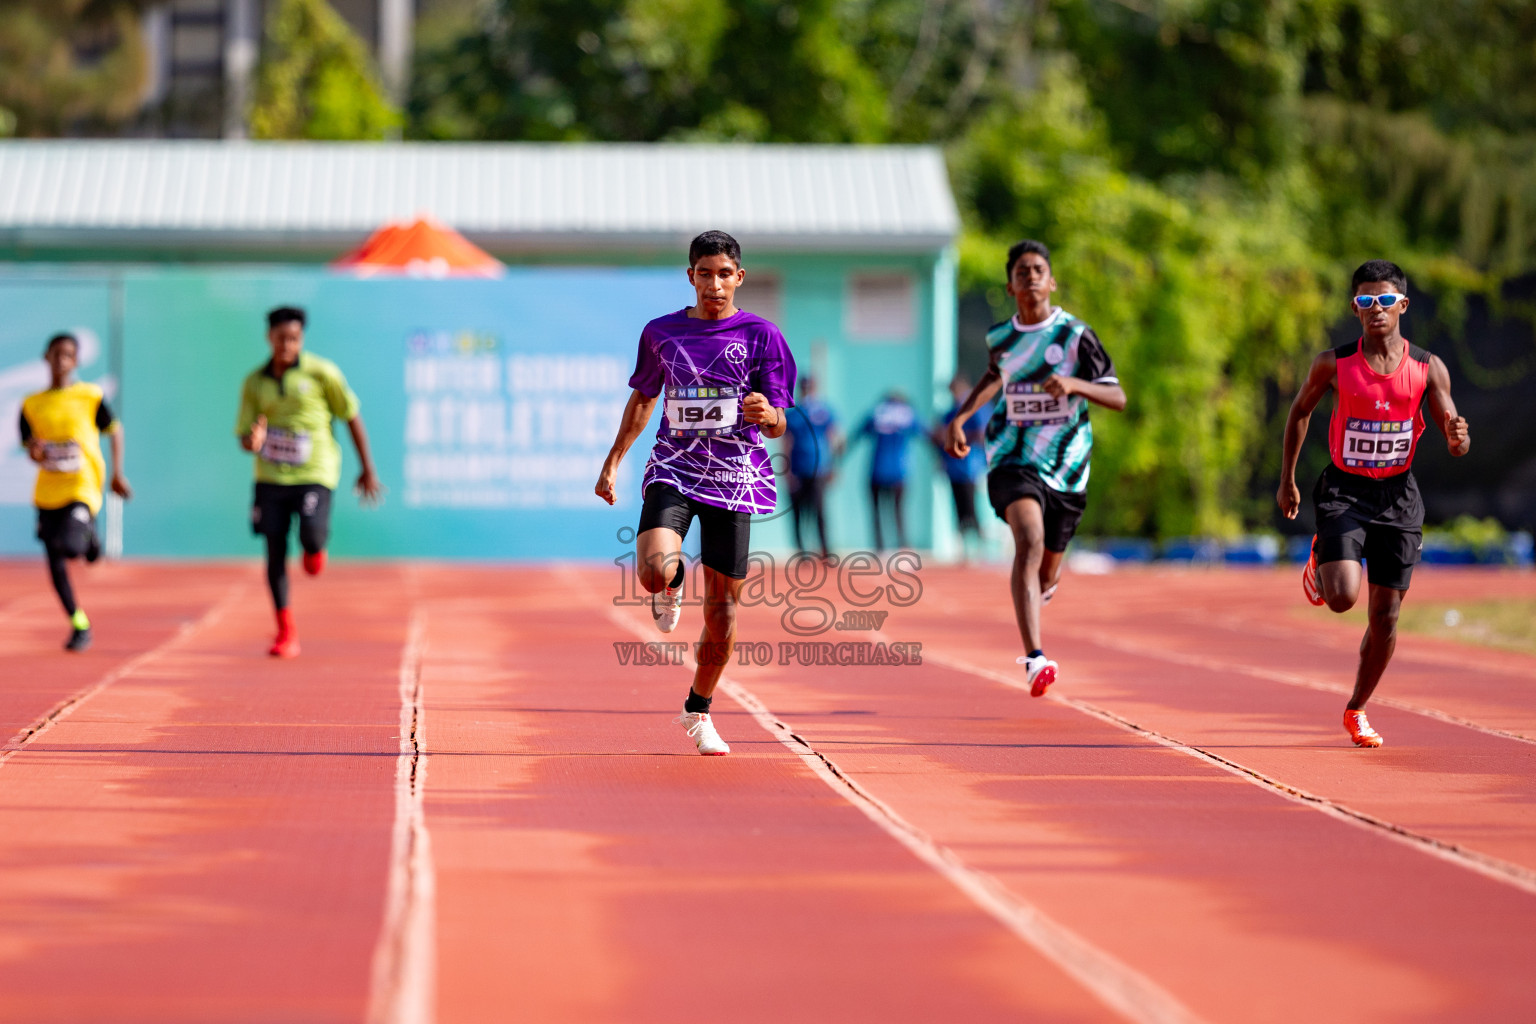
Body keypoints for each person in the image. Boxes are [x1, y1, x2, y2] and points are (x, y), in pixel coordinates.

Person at [595, 230, 795, 756]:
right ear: (691, 276)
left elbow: (777, 421)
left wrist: (767, 415)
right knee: (652, 571)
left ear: (739, 278)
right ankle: (674, 578)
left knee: (724, 612)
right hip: (674, 469)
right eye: (704, 274)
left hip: (735, 480)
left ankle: (698, 711)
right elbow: (643, 399)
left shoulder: (762, 336)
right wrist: (614, 461)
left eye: (724, 274)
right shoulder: (662, 333)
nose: (714, 284)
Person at [1278, 259, 1470, 748]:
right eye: (1366, 302)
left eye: (1385, 301)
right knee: (1342, 597)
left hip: (1399, 497)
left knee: (1385, 616)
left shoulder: (1428, 368)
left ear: (1402, 305)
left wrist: (1458, 438)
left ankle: (1357, 708)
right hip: (1346, 489)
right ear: (1355, 308)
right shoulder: (1333, 364)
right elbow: (1300, 412)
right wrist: (1288, 481)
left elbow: (1454, 434)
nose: (1376, 309)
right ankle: (1324, 555)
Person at [945, 240, 1125, 696]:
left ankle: (1040, 588)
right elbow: (994, 374)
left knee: (1046, 571)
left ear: (1051, 281)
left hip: (1067, 467)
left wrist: (1074, 384)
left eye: (1038, 269)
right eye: (1022, 271)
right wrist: (963, 417)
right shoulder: (1000, 337)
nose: (1030, 277)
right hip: (1012, 457)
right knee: (1028, 539)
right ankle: (1034, 656)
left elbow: (1117, 398)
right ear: (1011, 285)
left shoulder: (1076, 336)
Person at [236, 307, 383, 658]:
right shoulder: (255, 382)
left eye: (294, 338)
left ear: (301, 339)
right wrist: (251, 441)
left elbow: (350, 415)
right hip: (270, 477)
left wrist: (367, 468)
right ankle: (285, 629)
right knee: (273, 552)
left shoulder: (322, 373)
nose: (287, 345)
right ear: (269, 338)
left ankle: (315, 548)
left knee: (310, 538)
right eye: (281, 338)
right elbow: (245, 433)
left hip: (314, 473)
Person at [18, 333, 132, 652]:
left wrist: (118, 473)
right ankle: (79, 622)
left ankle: (90, 541)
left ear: (76, 361)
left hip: (82, 486)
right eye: (56, 354)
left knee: (70, 547)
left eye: (68, 354)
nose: (61, 360)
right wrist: (36, 453)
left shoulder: (90, 396)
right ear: (46, 357)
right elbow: (30, 447)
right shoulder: (32, 404)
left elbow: (114, 429)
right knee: (55, 564)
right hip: (47, 493)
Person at [934, 372, 990, 561]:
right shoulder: (951, 411)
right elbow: (942, 436)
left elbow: (983, 433)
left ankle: (979, 547)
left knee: (971, 506)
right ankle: (965, 547)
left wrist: (963, 438)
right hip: (954, 466)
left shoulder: (974, 406)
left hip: (971, 466)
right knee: (959, 507)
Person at [783, 375, 841, 559]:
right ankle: (803, 551)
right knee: (801, 512)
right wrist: (787, 470)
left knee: (818, 510)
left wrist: (833, 465)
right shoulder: (794, 413)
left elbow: (833, 438)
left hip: (818, 468)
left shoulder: (822, 411)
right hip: (801, 467)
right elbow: (787, 442)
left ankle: (824, 549)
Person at [856, 391, 922, 550]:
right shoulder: (907, 414)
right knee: (898, 512)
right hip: (899, 471)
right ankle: (903, 546)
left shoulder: (877, 413)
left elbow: (856, 435)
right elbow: (928, 435)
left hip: (878, 470)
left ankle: (880, 548)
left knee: (878, 513)